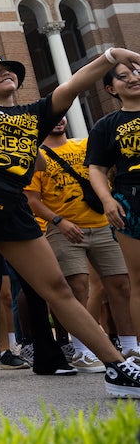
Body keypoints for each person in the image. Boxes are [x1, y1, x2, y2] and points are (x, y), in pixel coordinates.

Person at [0, 50, 140, 412]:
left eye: (10, 71)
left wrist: (112, 56)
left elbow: (74, 84)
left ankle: (116, 367)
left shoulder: (34, 113)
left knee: (57, 289)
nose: (5, 74)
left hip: (12, 202)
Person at [26, 117, 138, 369]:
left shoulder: (86, 145)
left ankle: (131, 347)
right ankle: (81, 350)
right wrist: (59, 221)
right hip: (64, 230)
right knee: (76, 288)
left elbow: (106, 172)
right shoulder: (38, 156)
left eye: (62, 115)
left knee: (121, 285)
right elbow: (31, 199)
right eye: (51, 117)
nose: (58, 120)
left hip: (103, 225)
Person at [87, 61, 140, 362]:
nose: (133, 79)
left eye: (136, 73)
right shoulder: (106, 125)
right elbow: (96, 168)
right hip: (131, 200)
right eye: (123, 77)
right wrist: (107, 200)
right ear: (110, 89)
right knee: (138, 280)